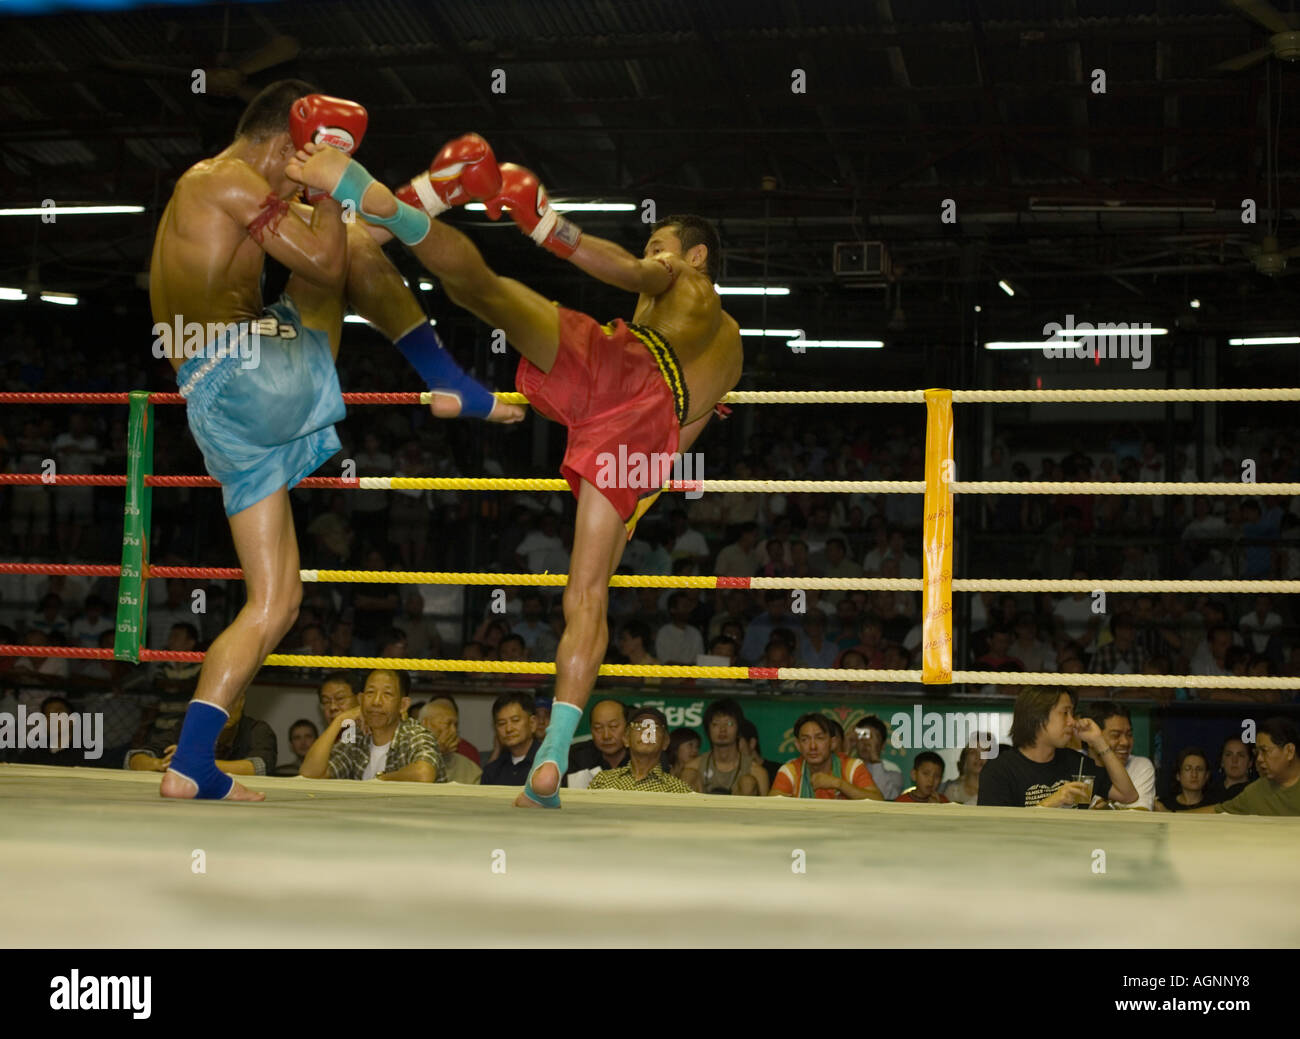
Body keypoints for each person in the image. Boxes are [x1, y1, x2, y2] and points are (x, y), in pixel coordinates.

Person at [291, 138, 743, 808]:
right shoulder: (728, 359)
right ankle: (553, 755)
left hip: (626, 370)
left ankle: (385, 207)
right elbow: (672, 445)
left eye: (661, 242)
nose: (655, 252)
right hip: (643, 422)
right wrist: (629, 507)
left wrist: (546, 227)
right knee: (586, 595)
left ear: (696, 254)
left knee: (487, 292)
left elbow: (630, 274)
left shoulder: (687, 280)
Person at [151, 85, 521, 802]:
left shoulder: (232, 194)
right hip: (246, 373)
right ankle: (448, 379)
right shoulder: (222, 176)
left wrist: (419, 195)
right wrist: (334, 177)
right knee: (339, 239)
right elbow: (328, 261)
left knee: (277, 601)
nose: (307, 170)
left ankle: (189, 760)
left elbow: (347, 235)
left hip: (214, 404)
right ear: (281, 142)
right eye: (306, 155)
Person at [976, 688, 1138, 808]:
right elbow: (994, 828)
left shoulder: (1076, 762)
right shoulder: (999, 770)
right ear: (1038, 716)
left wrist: (1099, 741)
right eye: (1065, 713)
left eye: (1072, 714)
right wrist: (1050, 803)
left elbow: (1128, 795)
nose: (1072, 722)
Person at [300, 668, 440, 782]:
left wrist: (379, 780)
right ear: (360, 700)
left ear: (403, 705)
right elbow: (309, 773)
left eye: (387, 694)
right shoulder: (356, 737)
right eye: (370, 693)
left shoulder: (414, 734)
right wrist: (340, 720)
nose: (376, 702)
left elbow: (424, 773)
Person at [1191, 718, 1300, 816]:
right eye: (1257, 752)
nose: (1259, 759)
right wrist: (1174, 816)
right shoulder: (1257, 791)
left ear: (1289, 751)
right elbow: (1219, 812)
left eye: (1265, 751)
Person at [769, 713, 883, 800]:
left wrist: (839, 784)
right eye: (805, 740)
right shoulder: (790, 771)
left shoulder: (852, 767)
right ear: (798, 746)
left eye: (819, 738)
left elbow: (878, 800)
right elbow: (770, 806)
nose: (812, 746)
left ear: (833, 743)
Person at [589, 707, 694, 794]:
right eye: (639, 726)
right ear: (626, 739)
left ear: (665, 742)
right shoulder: (603, 781)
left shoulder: (679, 790)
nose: (646, 733)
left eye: (654, 727)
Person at [680, 698, 769, 795]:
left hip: (738, 809)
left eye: (729, 723)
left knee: (747, 782)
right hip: (701, 808)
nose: (722, 729)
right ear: (708, 730)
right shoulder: (694, 766)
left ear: (738, 729)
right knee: (689, 774)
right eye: (715, 724)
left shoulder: (757, 772)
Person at [1088, 702, 1156, 810]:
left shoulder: (1140, 766)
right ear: (1091, 738)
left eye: (1129, 735)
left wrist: (1107, 808)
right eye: (1115, 735)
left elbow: (1140, 814)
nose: (1125, 742)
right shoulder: (1075, 763)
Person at [564, 699, 630, 788]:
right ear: (591, 730)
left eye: (613, 726)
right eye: (598, 728)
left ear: (627, 728)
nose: (606, 736)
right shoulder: (574, 758)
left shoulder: (641, 758)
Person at [480, 692, 541, 787]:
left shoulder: (549, 762)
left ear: (532, 723)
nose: (509, 729)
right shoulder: (492, 771)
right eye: (501, 723)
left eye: (515, 720)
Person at [417, 699, 481, 784]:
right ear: (425, 724)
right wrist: (435, 753)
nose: (454, 730)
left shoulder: (470, 769)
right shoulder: (406, 756)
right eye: (448, 724)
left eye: (456, 725)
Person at [849, 715, 904, 801]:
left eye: (872, 738)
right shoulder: (849, 766)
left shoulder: (892, 769)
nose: (866, 742)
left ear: (883, 745)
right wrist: (846, 749)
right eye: (862, 736)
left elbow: (884, 796)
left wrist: (875, 759)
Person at [1155, 747, 1216, 812]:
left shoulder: (1215, 806)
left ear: (1207, 775)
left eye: (1199, 769)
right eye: (1188, 769)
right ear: (1178, 775)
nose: (1194, 775)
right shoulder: (1164, 805)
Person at [1207, 735, 1255, 801]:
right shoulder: (1207, 793)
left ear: (1250, 762)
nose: (1234, 760)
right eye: (1228, 755)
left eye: (1241, 755)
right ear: (1222, 761)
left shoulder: (1256, 793)